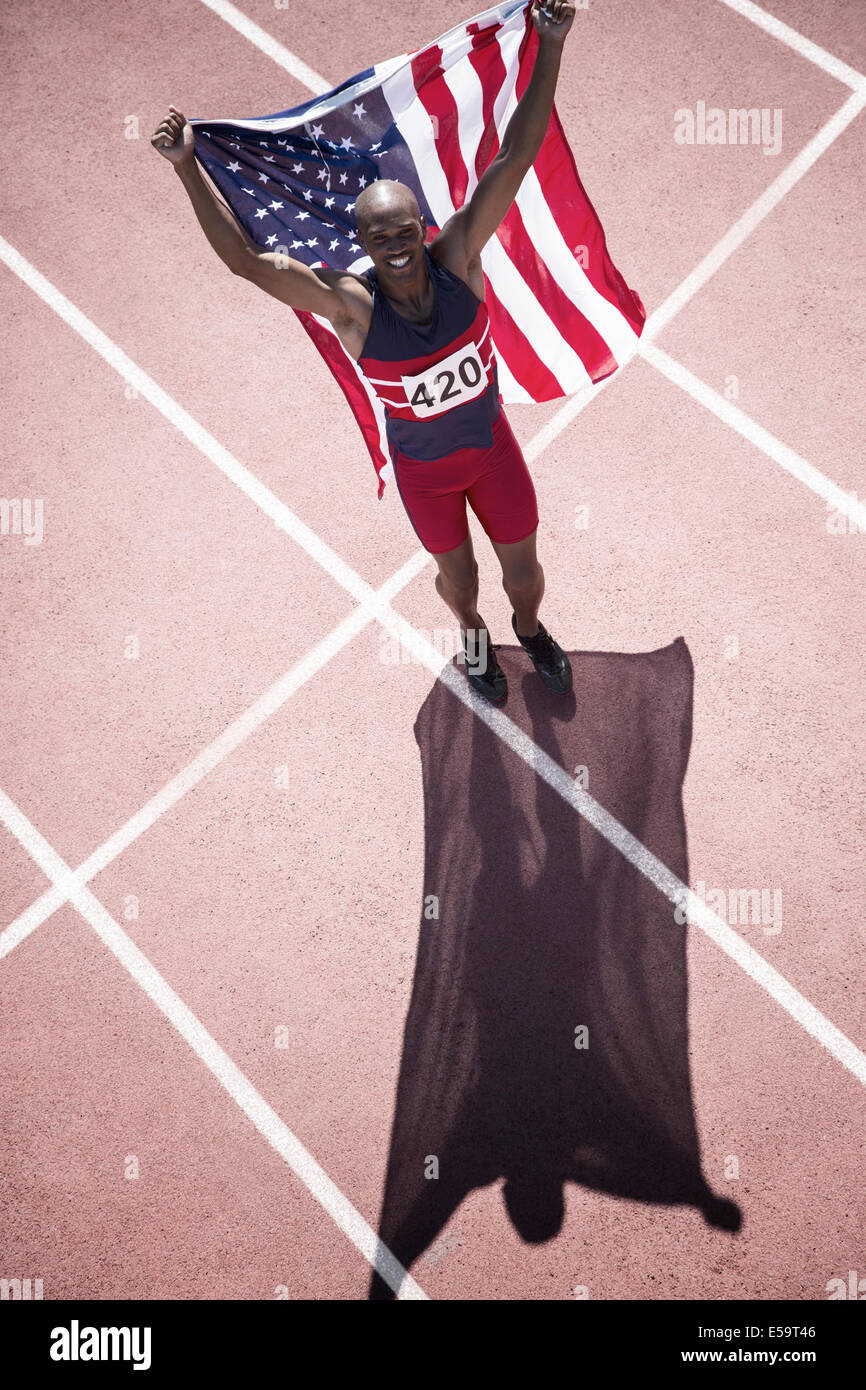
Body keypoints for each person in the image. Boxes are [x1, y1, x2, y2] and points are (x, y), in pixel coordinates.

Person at [153, 0, 576, 703]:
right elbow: (251, 264)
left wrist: (553, 45)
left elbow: (517, 155)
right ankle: (474, 637)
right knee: (461, 581)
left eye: (403, 230)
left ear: (421, 222)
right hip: (426, 475)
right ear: (364, 242)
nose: (396, 246)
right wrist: (186, 166)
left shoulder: (461, 257)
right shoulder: (354, 307)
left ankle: (529, 631)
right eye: (380, 238)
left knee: (524, 570)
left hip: (493, 450)